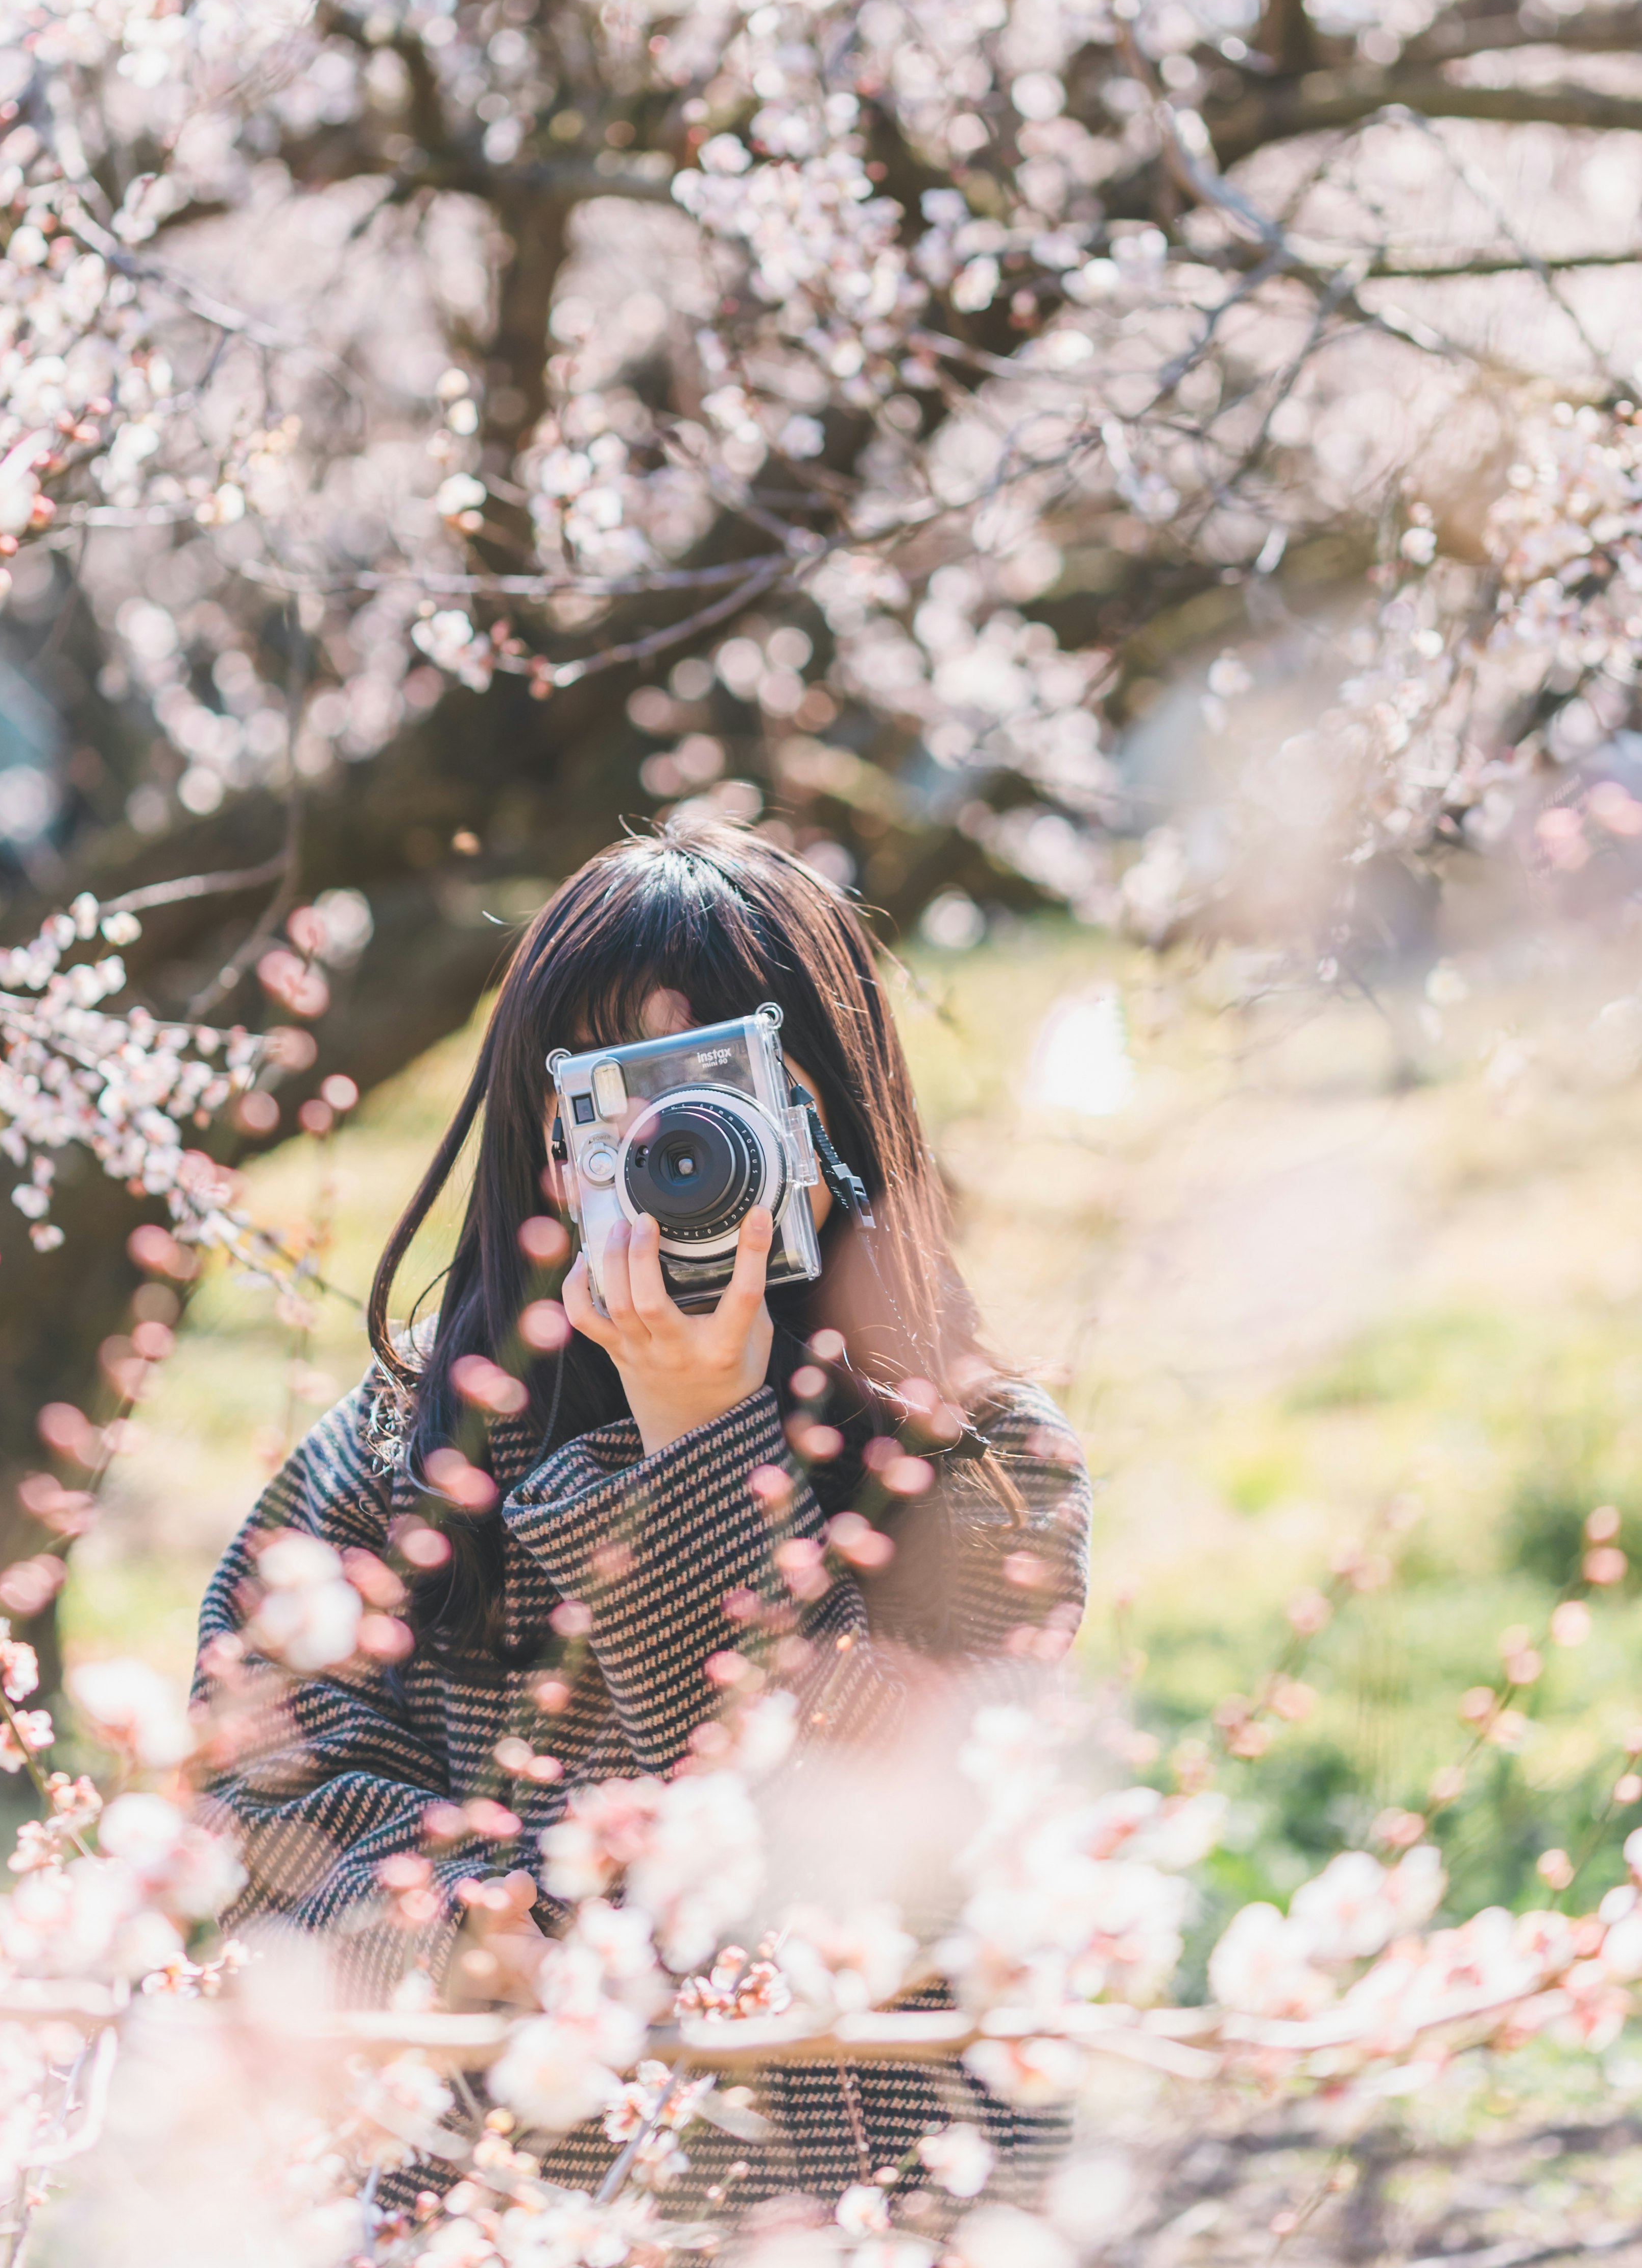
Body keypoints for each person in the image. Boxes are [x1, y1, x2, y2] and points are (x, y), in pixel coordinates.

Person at [194, 823, 1089, 2213]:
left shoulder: (976, 1462)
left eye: (720, 1096)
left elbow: (897, 1848)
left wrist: (699, 1438)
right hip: (499, 2192)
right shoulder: (403, 1453)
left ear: (828, 1123)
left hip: (860, 2195)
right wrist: (506, 1924)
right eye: (627, 1103)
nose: (679, 1151)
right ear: (545, 1140)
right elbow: (257, 1805)